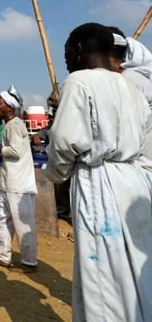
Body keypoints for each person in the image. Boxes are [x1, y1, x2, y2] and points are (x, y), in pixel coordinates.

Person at [46, 22, 152, 321]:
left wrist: (57, 175)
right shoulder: (131, 86)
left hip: (99, 182)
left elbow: (65, 142)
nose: (65, 57)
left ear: (79, 50)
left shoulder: (78, 83)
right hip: (134, 182)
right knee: (133, 274)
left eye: (67, 50)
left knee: (103, 275)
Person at [0, 85, 38, 273]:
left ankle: (29, 262)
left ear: (9, 107)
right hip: (7, 181)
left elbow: (15, 152)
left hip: (18, 184)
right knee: (1, 218)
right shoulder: (9, 125)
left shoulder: (15, 125)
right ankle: (3, 256)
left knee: (22, 223)